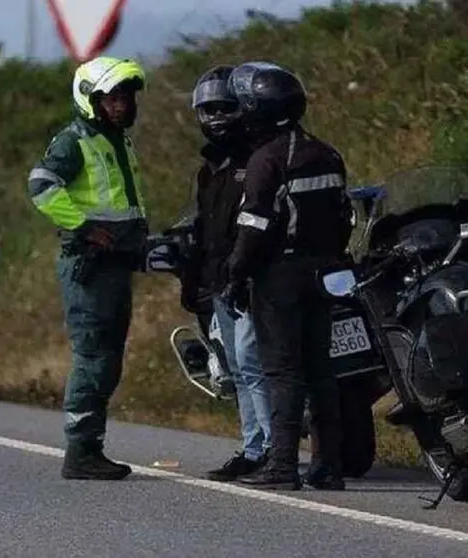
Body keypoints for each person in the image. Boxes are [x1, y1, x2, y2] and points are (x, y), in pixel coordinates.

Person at [222, 61, 354, 491]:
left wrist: (235, 274)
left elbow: (254, 227)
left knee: (282, 371)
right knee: (322, 369)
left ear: (256, 110)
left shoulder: (266, 160)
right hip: (326, 272)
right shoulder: (326, 152)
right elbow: (345, 217)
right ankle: (329, 466)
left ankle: (281, 465)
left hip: (280, 276)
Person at [27, 56, 149, 480]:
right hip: (90, 267)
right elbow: (41, 186)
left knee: (109, 359)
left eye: (127, 97)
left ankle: (89, 447)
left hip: (117, 265)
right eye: (113, 98)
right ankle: (80, 452)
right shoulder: (74, 140)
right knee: (95, 357)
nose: (122, 105)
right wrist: (83, 227)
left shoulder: (117, 141)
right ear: (90, 99)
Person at [189, 64, 273, 481]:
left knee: (254, 364)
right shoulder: (210, 168)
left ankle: (272, 449)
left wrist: (243, 272)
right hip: (221, 281)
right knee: (239, 368)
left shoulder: (258, 160)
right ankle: (254, 446)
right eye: (209, 111)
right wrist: (197, 279)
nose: (217, 118)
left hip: (253, 280)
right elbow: (207, 231)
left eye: (225, 108)